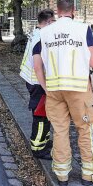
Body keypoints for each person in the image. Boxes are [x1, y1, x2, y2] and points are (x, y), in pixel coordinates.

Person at [33, 0, 93, 186]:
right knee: (86, 130)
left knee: (59, 131)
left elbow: (37, 66)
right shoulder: (83, 29)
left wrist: (45, 87)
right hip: (78, 88)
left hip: (54, 89)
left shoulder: (45, 32)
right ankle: (90, 174)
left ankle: (62, 174)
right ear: (73, 10)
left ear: (57, 10)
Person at [19, 9, 55, 160]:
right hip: (38, 82)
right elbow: (38, 65)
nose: (55, 24)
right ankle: (38, 148)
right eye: (53, 21)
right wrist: (46, 87)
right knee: (41, 115)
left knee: (42, 113)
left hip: (31, 80)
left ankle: (43, 141)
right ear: (47, 22)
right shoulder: (42, 37)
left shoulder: (36, 33)